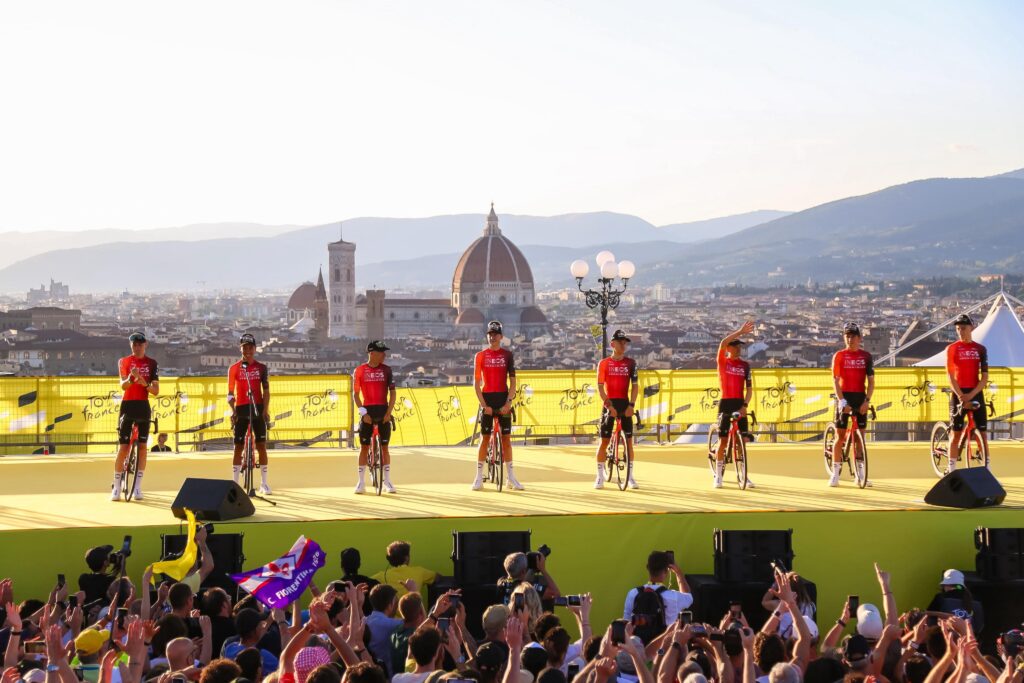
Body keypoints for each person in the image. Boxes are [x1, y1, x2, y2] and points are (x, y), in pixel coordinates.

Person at [472, 320, 523, 491]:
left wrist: (509, 402)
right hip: (487, 400)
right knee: (485, 438)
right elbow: (476, 383)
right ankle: (478, 477)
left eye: (495, 334)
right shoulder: (480, 356)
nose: (492, 337)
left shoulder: (507, 355)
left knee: (507, 440)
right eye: (489, 334)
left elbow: (513, 382)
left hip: (503, 400)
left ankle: (511, 478)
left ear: (501, 337)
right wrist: (483, 404)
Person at [111, 331, 159, 501]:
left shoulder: (152, 363)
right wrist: (132, 378)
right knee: (124, 446)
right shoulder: (123, 361)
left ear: (145, 345)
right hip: (127, 406)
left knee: (143, 447)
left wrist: (143, 382)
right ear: (131, 345)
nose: (137, 347)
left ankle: (138, 487)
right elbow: (123, 386)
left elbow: (155, 391)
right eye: (134, 344)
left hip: (143, 406)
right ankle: (116, 486)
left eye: (140, 344)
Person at [829, 322, 875, 487]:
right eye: (847, 336)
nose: (849, 339)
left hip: (860, 397)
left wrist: (867, 401)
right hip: (844, 396)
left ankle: (860, 474)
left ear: (859, 338)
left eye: (853, 336)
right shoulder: (839, 355)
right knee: (840, 437)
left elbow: (871, 382)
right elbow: (835, 380)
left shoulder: (866, 356)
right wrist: (842, 401)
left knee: (859, 437)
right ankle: (835, 473)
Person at [594, 329, 639, 490]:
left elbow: (635, 387)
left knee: (629, 442)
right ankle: (599, 476)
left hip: (625, 404)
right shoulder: (604, 363)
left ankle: (630, 476)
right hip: (610, 403)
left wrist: (632, 405)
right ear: (613, 344)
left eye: (625, 342)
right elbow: (600, 388)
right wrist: (608, 406)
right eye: (621, 342)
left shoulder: (631, 363)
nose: (623, 345)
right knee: (604, 441)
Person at [713, 321, 756, 489]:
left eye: (740, 347)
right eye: (735, 346)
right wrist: (739, 332)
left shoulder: (745, 366)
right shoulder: (723, 361)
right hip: (726, 404)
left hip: (739, 404)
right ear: (729, 349)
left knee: (742, 441)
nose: (739, 348)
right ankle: (718, 475)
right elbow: (722, 343)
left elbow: (750, 389)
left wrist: (745, 405)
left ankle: (743, 474)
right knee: (723, 442)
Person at [228, 333, 272, 494]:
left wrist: (265, 410)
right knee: (237, 447)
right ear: (240, 349)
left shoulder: (261, 368)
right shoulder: (233, 368)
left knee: (261, 445)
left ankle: (264, 483)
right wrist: (233, 410)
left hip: (257, 408)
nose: (247, 350)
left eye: (250, 347)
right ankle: (234, 484)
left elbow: (266, 391)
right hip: (240, 409)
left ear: (255, 349)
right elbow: (230, 393)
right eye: (244, 347)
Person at [946, 314, 989, 473]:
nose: (960, 332)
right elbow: (950, 376)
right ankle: (951, 469)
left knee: (983, 434)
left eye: (963, 328)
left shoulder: (980, 349)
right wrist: (960, 395)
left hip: (975, 392)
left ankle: (988, 468)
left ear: (971, 328)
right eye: (958, 329)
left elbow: (984, 377)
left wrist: (972, 394)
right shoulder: (952, 348)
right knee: (956, 434)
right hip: (958, 393)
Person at [353, 340, 397, 494]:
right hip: (367, 411)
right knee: (364, 448)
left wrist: (388, 412)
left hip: (383, 410)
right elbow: (355, 395)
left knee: (385, 448)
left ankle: (387, 481)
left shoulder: (387, 370)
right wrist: (363, 413)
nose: (384, 355)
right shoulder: (359, 370)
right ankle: (361, 482)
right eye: (381, 352)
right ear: (372, 353)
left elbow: (393, 393)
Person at [622, 551, 692, 642]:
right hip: (664, 648)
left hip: (638, 646)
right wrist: (678, 572)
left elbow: (626, 622)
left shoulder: (633, 593)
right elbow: (688, 596)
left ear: (647, 568)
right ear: (667, 571)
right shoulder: (673, 597)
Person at [371, 541, 438, 599]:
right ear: (406, 558)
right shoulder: (420, 572)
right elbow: (439, 578)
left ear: (389, 560)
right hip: (414, 613)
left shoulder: (380, 576)